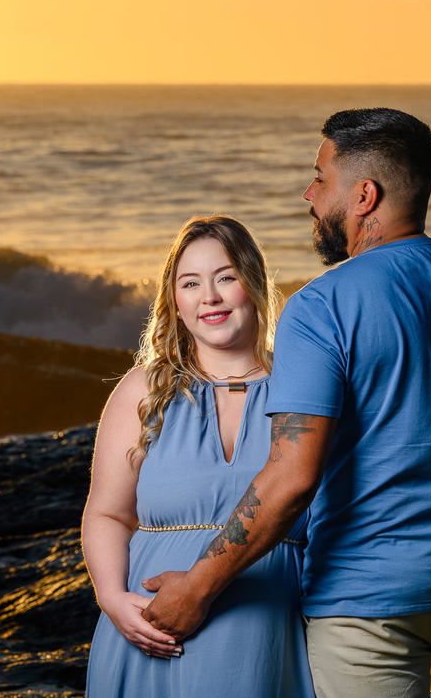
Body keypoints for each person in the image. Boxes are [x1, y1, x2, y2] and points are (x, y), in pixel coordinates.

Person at [142, 108, 431, 697]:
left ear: (364, 195)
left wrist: (197, 588)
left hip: (366, 604)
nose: (309, 194)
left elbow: (292, 476)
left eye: (320, 177)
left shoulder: (321, 307)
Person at [80, 216, 314, 697]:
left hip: (269, 631)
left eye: (225, 277)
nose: (209, 297)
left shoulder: (306, 389)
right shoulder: (141, 391)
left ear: (254, 286)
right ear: (175, 301)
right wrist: (112, 599)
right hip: (148, 632)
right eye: (191, 283)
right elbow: (107, 512)